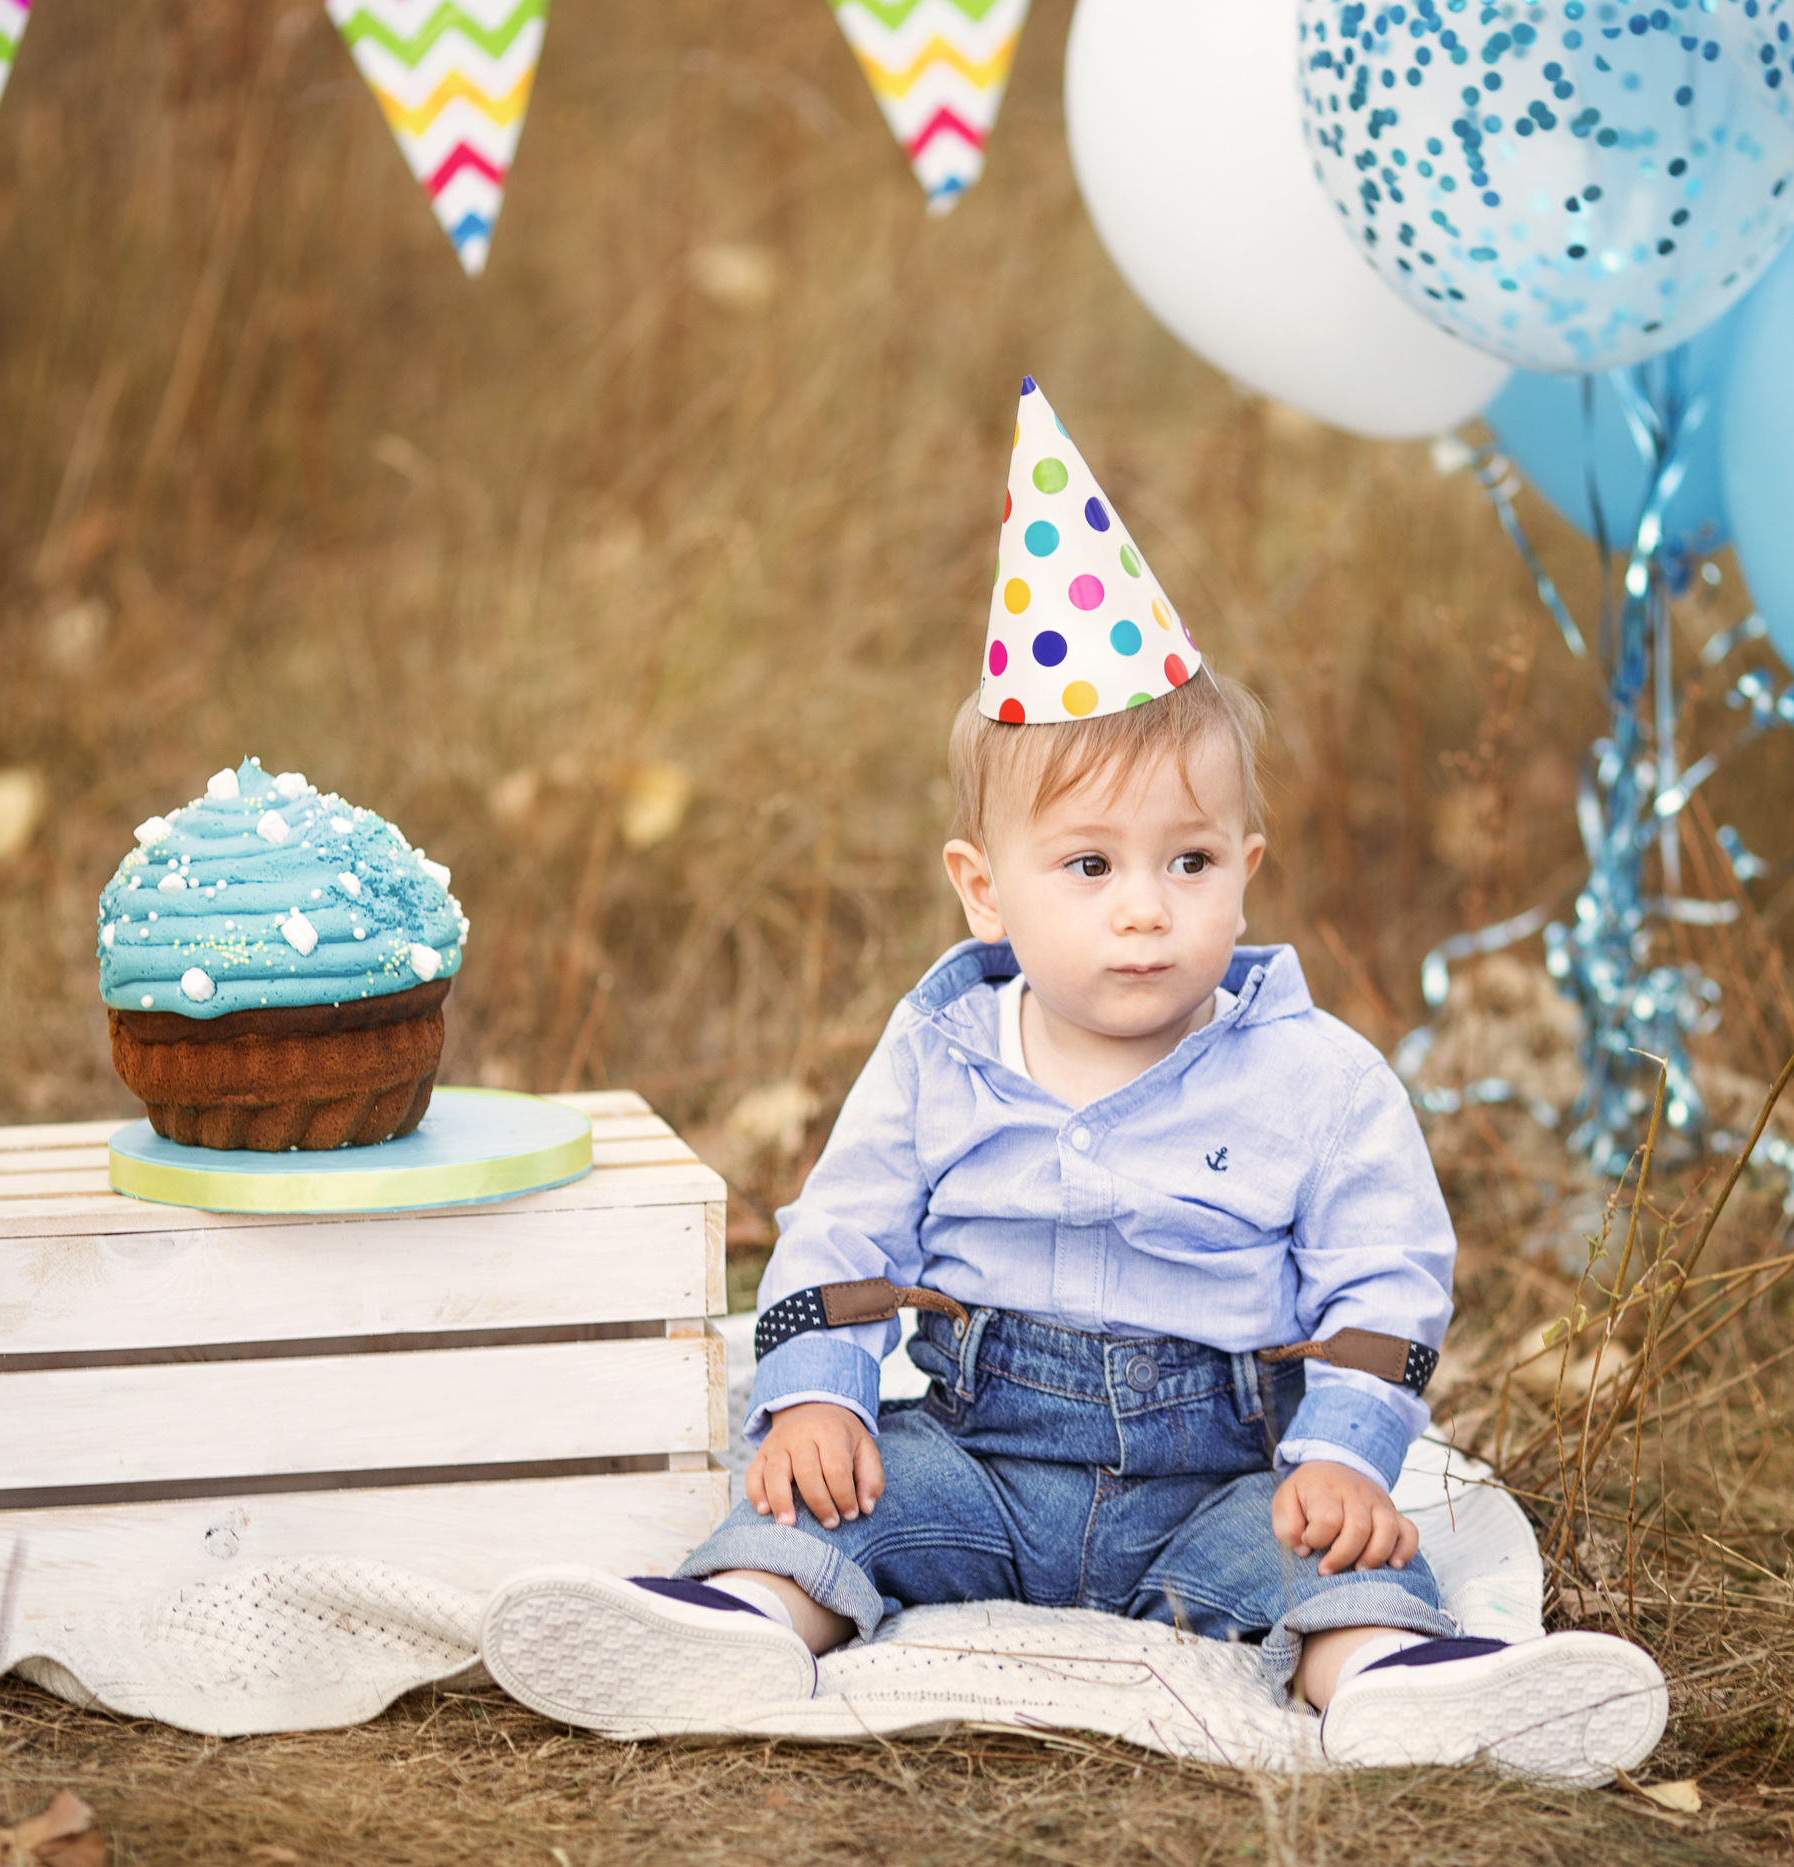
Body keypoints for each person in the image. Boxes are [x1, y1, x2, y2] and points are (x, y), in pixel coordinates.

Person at [482, 379, 1667, 1784]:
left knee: (1325, 1567)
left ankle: (1395, 1682)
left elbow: (1384, 1284)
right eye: (1090, 866)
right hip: (976, 1465)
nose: (1147, 909)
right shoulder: (940, 1055)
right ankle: (741, 1622)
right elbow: (843, 1242)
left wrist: (1343, 1458)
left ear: (1248, 869)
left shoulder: (1316, 1079)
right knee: (830, 1508)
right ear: (986, 893)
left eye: (1190, 861)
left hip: (1214, 1486)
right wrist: (815, 1399)